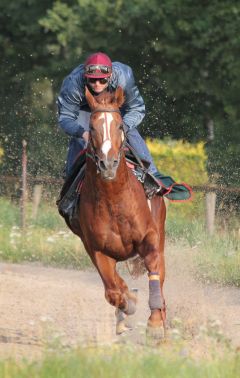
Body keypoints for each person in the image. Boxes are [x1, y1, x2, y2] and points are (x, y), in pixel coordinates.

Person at [58, 52, 191, 201]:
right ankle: (71, 188)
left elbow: (137, 109)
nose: (97, 84)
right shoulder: (73, 83)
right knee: (80, 139)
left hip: (113, 107)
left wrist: (124, 128)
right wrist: (82, 133)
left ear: (110, 76)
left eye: (102, 80)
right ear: (85, 77)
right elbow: (65, 118)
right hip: (85, 109)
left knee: (130, 132)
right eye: (93, 80)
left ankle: (153, 176)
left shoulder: (123, 77)